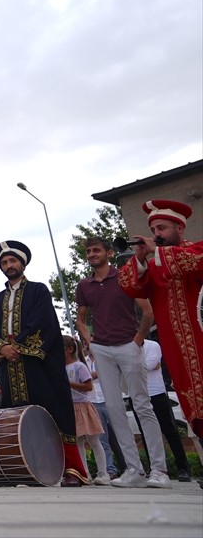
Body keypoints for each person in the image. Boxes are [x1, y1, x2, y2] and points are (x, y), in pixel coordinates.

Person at [0, 239, 89, 486]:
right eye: (5, 262)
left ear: (23, 263)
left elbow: (43, 322)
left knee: (53, 413)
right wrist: (2, 348)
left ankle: (74, 471)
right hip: (9, 367)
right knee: (17, 419)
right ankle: (29, 471)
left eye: (13, 261)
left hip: (38, 364)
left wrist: (17, 347)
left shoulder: (39, 290)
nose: (9, 265)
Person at [74, 233, 169, 488]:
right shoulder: (84, 285)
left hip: (129, 343)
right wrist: (89, 341)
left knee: (142, 405)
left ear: (108, 253)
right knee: (115, 409)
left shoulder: (125, 276)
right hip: (102, 349)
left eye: (96, 250)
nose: (92, 255)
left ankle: (159, 470)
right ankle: (134, 470)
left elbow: (147, 310)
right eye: (89, 252)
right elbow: (81, 319)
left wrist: (138, 338)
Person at [118, 199, 203, 452]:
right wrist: (141, 260)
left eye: (162, 229)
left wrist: (157, 251)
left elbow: (195, 262)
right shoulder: (154, 262)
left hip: (200, 337)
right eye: (154, 230)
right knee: (193, 405)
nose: (157, 234)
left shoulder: (195, 250)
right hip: (177, 348)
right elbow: (128, 286)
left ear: (180, 228)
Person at [141, 336, 194, 482]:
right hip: (138, 395)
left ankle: (183, 468)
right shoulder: (126, 348)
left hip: (157, 393)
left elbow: (150, 364)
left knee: (170, 431)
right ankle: (154, 468)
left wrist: (132, 367)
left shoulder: (152, 345)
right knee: (147, 434)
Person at [64, 335, 109, 485]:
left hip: (83, 406)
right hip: (71, 407)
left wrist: (69, 384)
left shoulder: (79, 366)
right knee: (78, 442)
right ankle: (85, 474)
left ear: (70, 349)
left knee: (93, 440)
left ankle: (103, 473)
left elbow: (88, 386)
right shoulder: (62, 368)